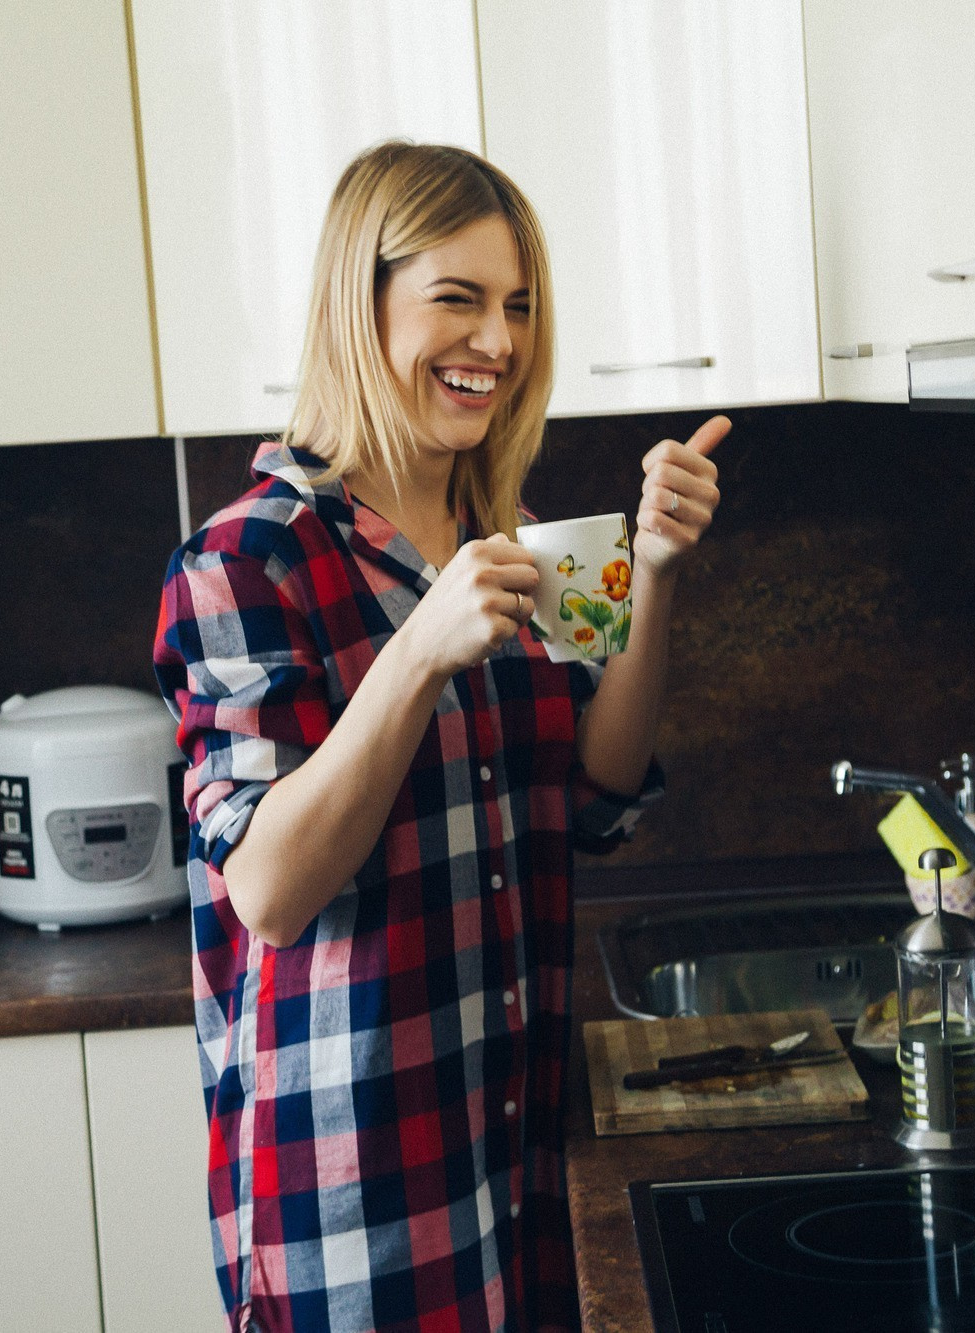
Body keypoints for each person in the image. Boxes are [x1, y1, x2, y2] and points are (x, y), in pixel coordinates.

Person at [153, 140, 726, 1333]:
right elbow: (267, 886)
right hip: (358, 1197)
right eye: (455, 300)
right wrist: (417, 649)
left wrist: (654, 580)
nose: (498, 343)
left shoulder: (510, 527)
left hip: (517, 1160)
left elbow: (596, 797)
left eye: (515, 306)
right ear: (358, 309)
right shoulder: (245, 559)